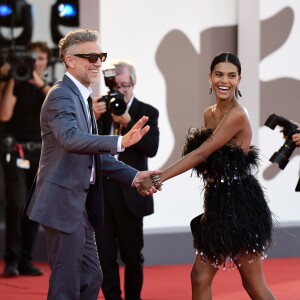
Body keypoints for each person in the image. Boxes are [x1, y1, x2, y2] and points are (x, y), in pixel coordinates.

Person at [23, 28, 159, 300]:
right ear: (70, 60)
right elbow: (71, 139)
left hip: (80, 207)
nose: (98, 62)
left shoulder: (82, 97)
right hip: (63, 204)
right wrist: (121, 142)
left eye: (101, 55)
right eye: (91, 56)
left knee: (91, 276)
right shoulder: (61, 95)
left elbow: (92, 155)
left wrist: (134, 177)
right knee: (66, 285)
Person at [140, 52, 276, 300]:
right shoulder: (209, 113)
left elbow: (202, 153)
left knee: (253, 285)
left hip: (242, 207)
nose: (225, 80)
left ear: (239, 79)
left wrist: (158, 178)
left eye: (231, 75)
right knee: (199, 277)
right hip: (216, 204)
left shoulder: (238, 114)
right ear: (210, 77)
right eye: (219, 74)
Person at [93, 60, 159, 300]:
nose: (121, 91)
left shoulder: (147, 112)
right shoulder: (100, 110)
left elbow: (152, 148)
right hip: (101, 193)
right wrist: (90, 115)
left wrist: (128, 123)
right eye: (116, 86)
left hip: (131, 194)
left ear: (133, 84)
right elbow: (84, 145)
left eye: (125, 85)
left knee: (132, 256)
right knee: (105, 255)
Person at [0, 42, 52, 277]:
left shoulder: (50, 88)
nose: (35, 63)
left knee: (34, 207)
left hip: (41, 155)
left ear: (46, 62)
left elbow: (58, 106)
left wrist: (38, 82)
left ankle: (26, 260)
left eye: (40, 59)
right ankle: (11, 260)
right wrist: (13, 77)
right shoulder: (14, 84)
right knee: (16, 204)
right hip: (17, 152)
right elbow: (4, 114)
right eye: (31, 58)